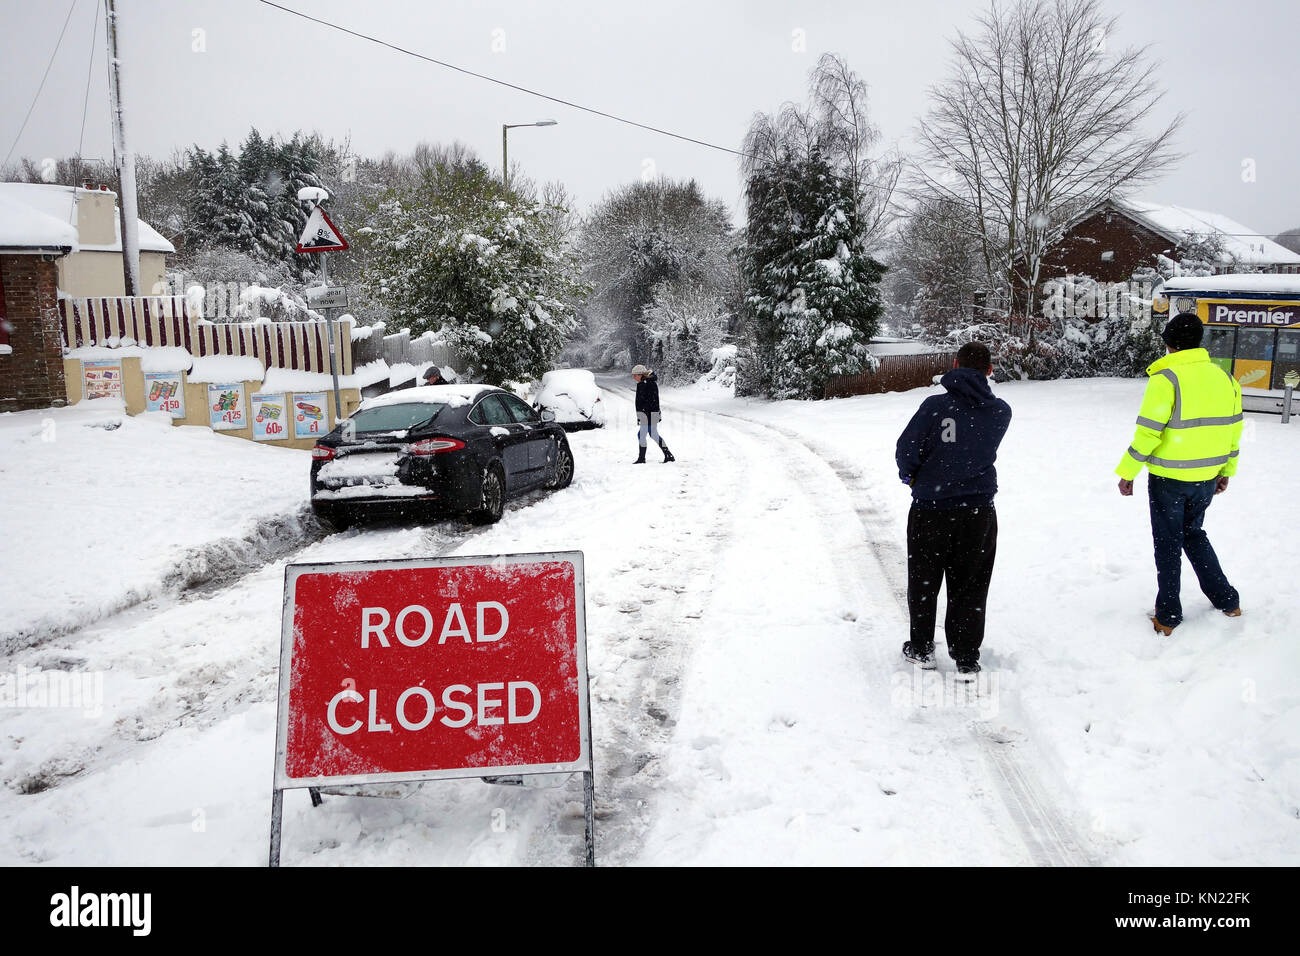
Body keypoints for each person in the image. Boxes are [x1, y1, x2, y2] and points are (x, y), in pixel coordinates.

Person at [1115, 313, 1242, 636]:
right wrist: (1226, 470)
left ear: (1168, 344)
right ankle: (1227, 601)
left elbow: (1149, 433)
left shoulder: (1166, 379)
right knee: (1194, 534)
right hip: (1207, 477)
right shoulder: (1225, 378)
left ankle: (1168, 616)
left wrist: (1128, 472)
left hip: (1169, 479)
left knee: (1168, 543)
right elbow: (1233, 431)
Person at [895, 342, 1012, 678]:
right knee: (971, 583)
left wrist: (912, 476)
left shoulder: (934, 407)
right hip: (978, 512)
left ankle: (921, 648)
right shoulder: (1000, 412)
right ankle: (965, 655)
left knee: (924, 580)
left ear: (955, 364)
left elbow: (907, 450)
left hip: (931, 509)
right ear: (989, 370)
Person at [632, 364, 674, 463]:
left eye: (635, 375)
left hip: (647, 414)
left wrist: (643, 414)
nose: (634, 377)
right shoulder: (649, 382)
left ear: (640, 374)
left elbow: (649, 401)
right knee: (653, 434)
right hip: (651, 413)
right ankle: (668, 455)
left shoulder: (646, 384)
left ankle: (642, 458)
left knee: (642, 435)